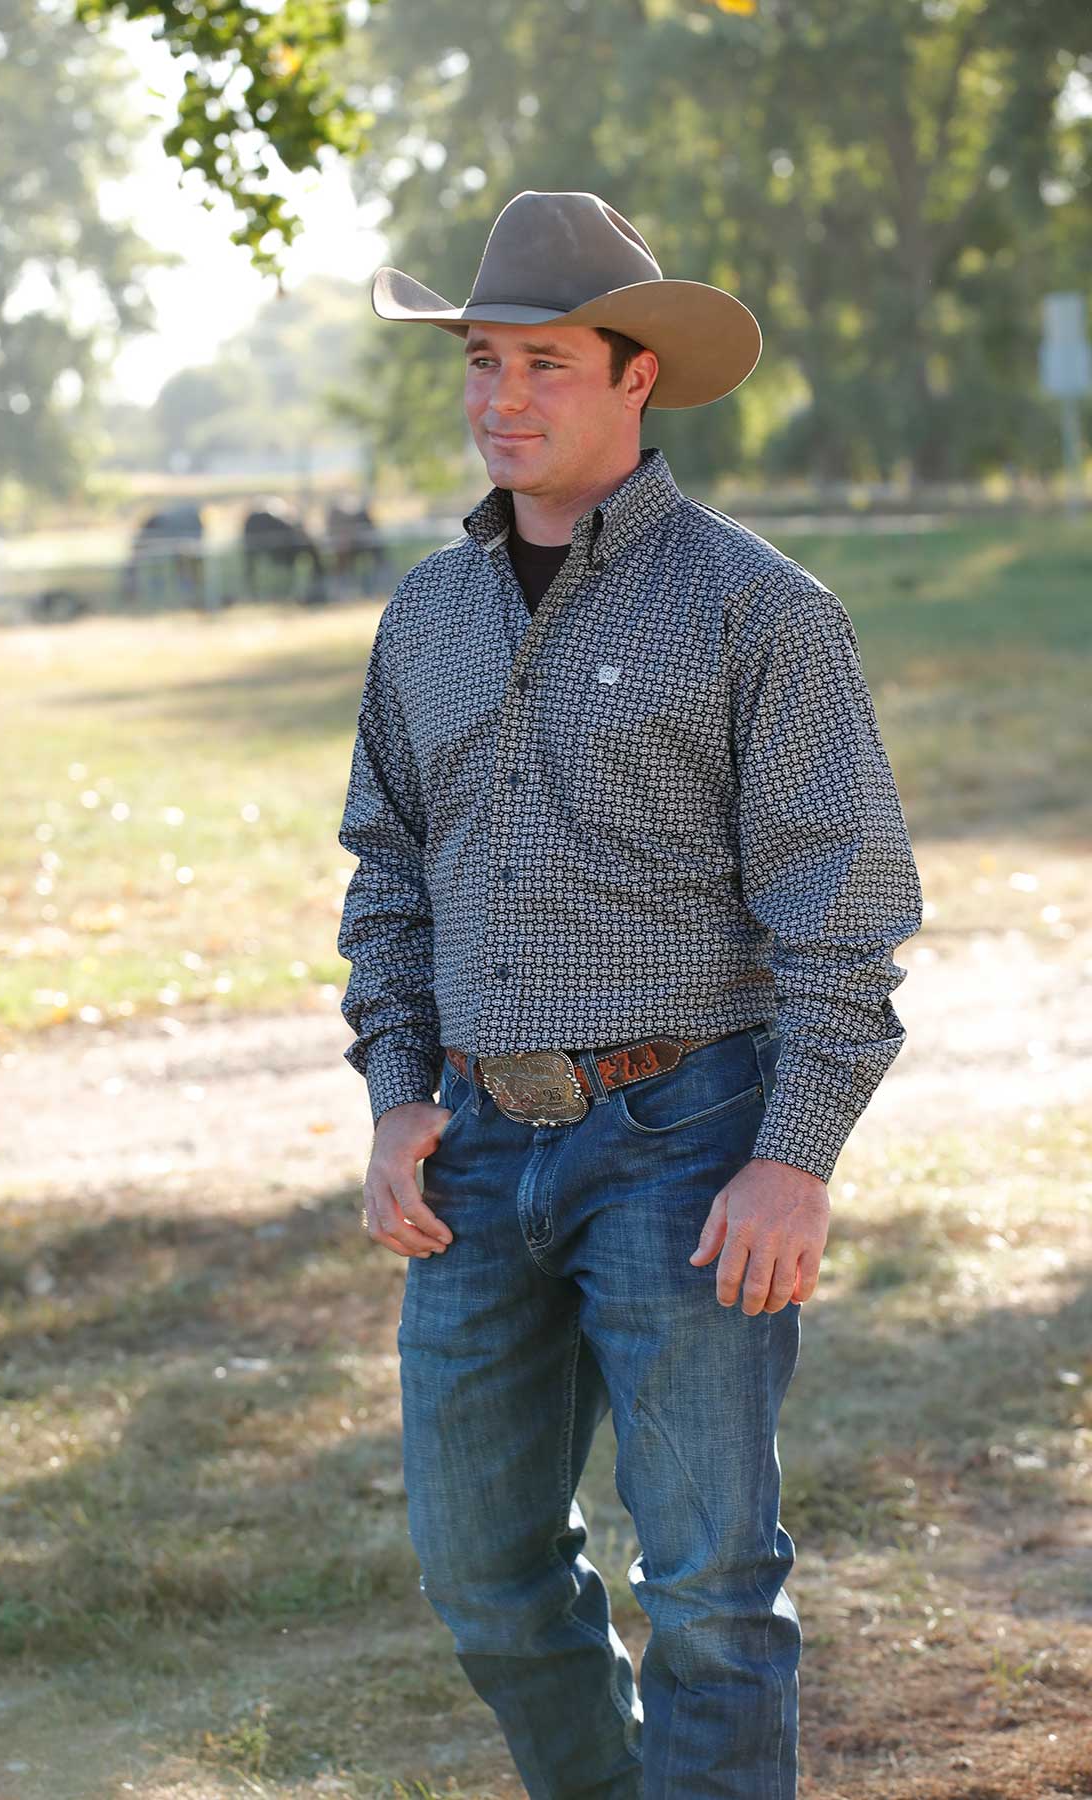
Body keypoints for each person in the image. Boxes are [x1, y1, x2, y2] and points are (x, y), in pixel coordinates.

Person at [335, 190, 923, 1800]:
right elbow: (386, 876)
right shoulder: (425, 614)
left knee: (713, 1591)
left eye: (547, 364)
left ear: (636, 376)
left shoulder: (760, 611)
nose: (505, 398)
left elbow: (846, 912)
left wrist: (794, 1157)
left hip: (688, 1142)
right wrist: (395, 1094)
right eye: (482, 361)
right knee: (481, 1572)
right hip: (472, 1152)